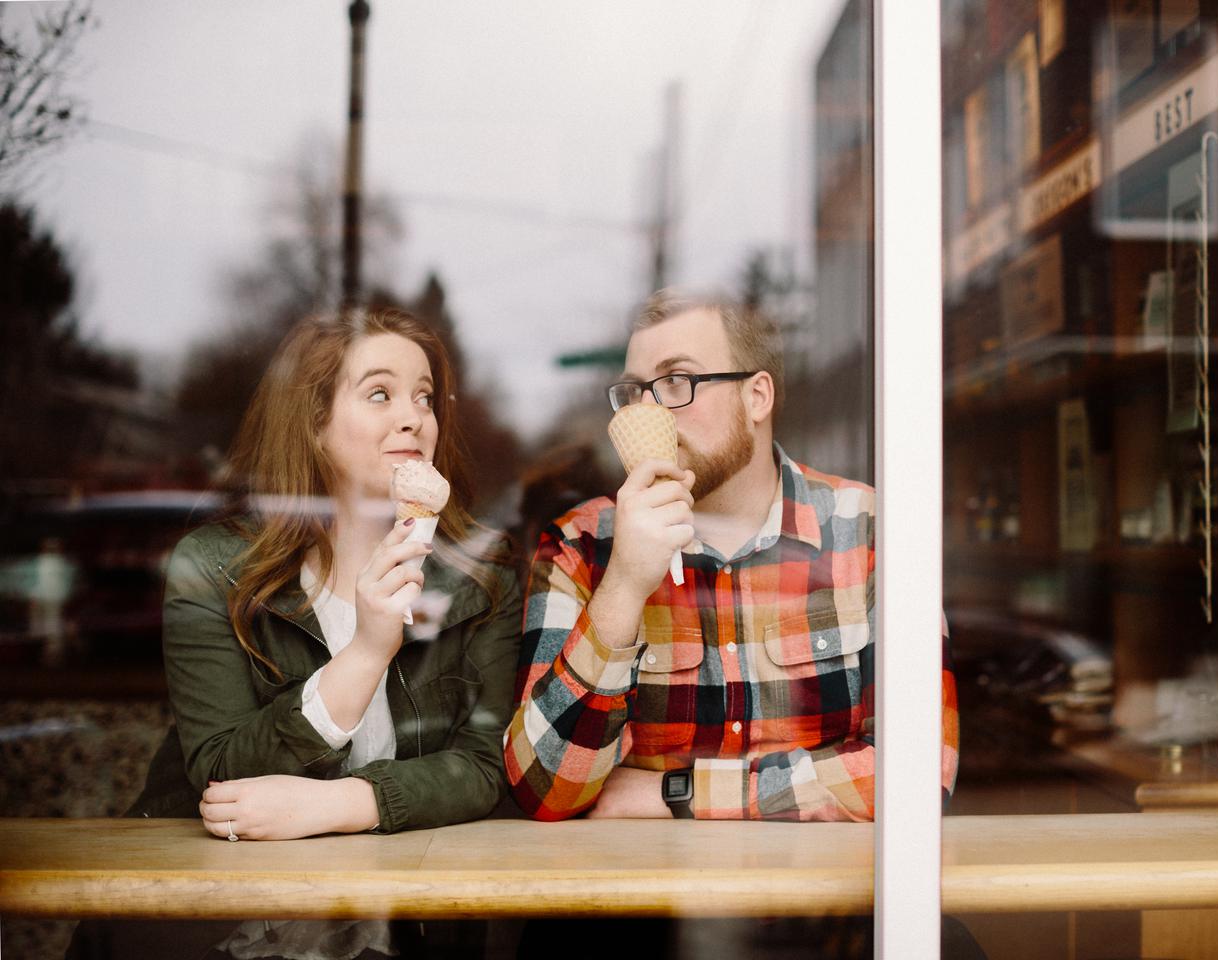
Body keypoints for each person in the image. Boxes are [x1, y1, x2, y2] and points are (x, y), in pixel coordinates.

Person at [93, 308, 520, 960]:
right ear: (314, 425)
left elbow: (484, 767)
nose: (415, 417)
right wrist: (370, 649)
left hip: (403, 931)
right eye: (380, 393)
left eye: (425, 396)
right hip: (221, 927)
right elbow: (221, 770)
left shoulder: (480, 578)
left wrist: (342, 805)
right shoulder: (211, 570)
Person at [505, 289, 959, 822]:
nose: (647, 411)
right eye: (633, 391)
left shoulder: (872, 531)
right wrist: (624, 585)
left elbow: (919, 770)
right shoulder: (581, 546)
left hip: (829, 902)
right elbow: (541, 788)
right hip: (650, 899)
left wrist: (676, 794)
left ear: (757, 396)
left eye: (677, 381)